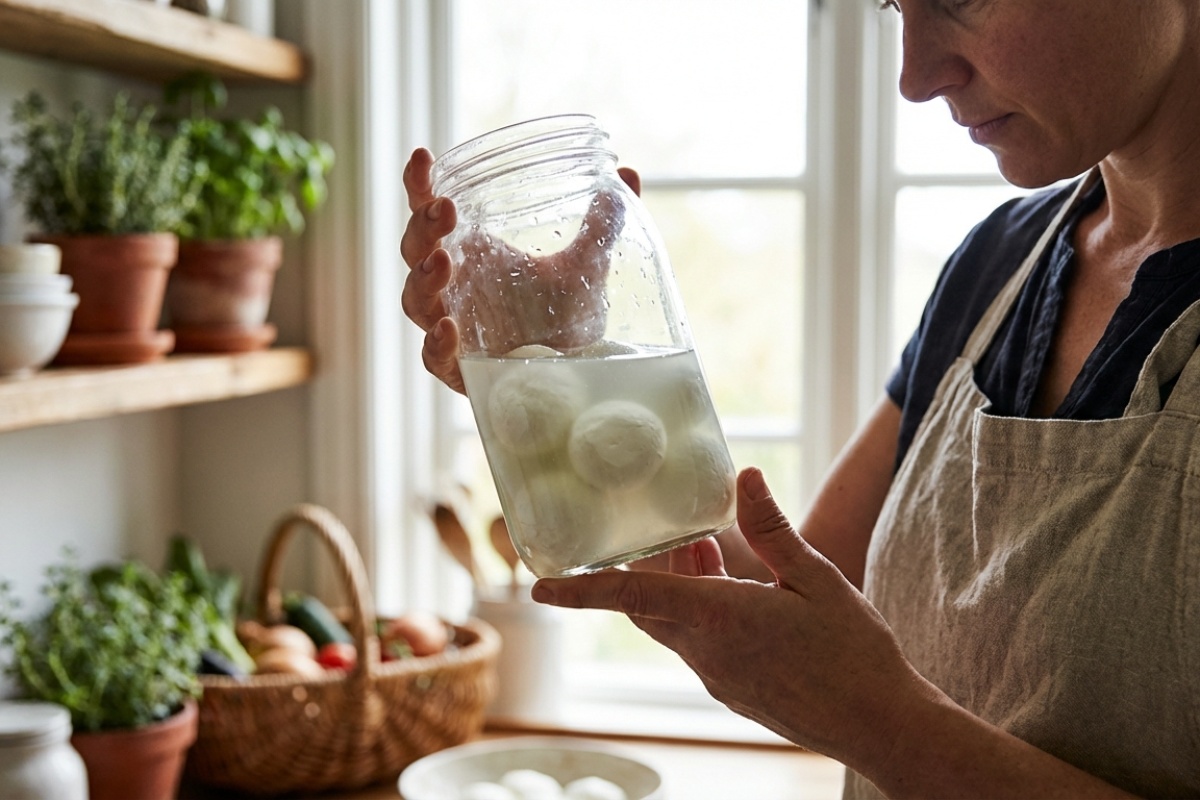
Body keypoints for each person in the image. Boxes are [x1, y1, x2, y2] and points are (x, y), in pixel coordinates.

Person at [401, 2, 1200, 796]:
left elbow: (857, 695)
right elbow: (798, 595)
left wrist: (882, 724)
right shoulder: (1000, 262)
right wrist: (566, 379)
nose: (913, 77)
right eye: (896, 5)